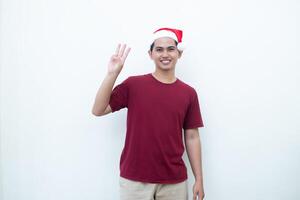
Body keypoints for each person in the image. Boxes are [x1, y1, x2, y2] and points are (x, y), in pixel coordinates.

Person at [92, 27, 205, 200]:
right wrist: (112, 74)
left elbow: (192, 137)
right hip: (134, 181)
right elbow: (98, 110)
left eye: (170, 49)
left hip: (174, 182)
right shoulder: (134, 85)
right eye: (159, 49)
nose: (165, 54)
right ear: (150, 54)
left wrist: (199, 179)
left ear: (179, 54)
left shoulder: (188, 93)